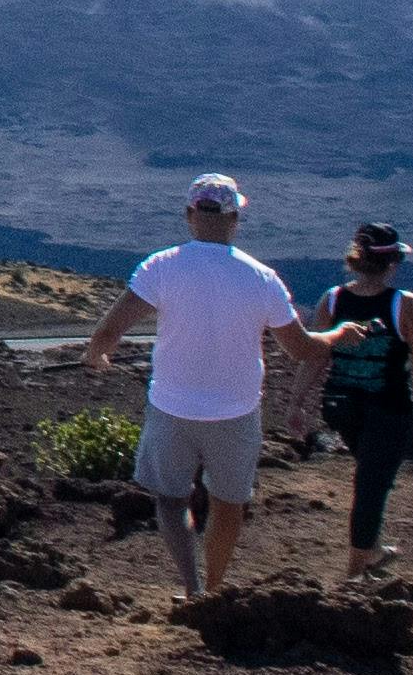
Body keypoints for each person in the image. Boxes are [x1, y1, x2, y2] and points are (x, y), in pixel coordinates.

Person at [77, 174, 305, 603]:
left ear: (190, 215)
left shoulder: (161, 267)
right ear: (235, 216)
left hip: (172, 406)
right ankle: (214, 590)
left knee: (170, 498)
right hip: (236, 412)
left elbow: (109, 330)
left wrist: (97, 354)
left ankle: (192, 586)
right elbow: (298, 349)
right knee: (229, 504)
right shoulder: (262, 278)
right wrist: (336, 337)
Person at [301, 221, 413, 575]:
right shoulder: (403, 304)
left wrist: (297, 403)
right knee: (372, 484)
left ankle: (371, 549)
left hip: (341, 407)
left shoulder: (332, 299)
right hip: (388, 409)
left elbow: (316, 356)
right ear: (392, 261)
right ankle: (357, 568)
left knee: (371, 476)